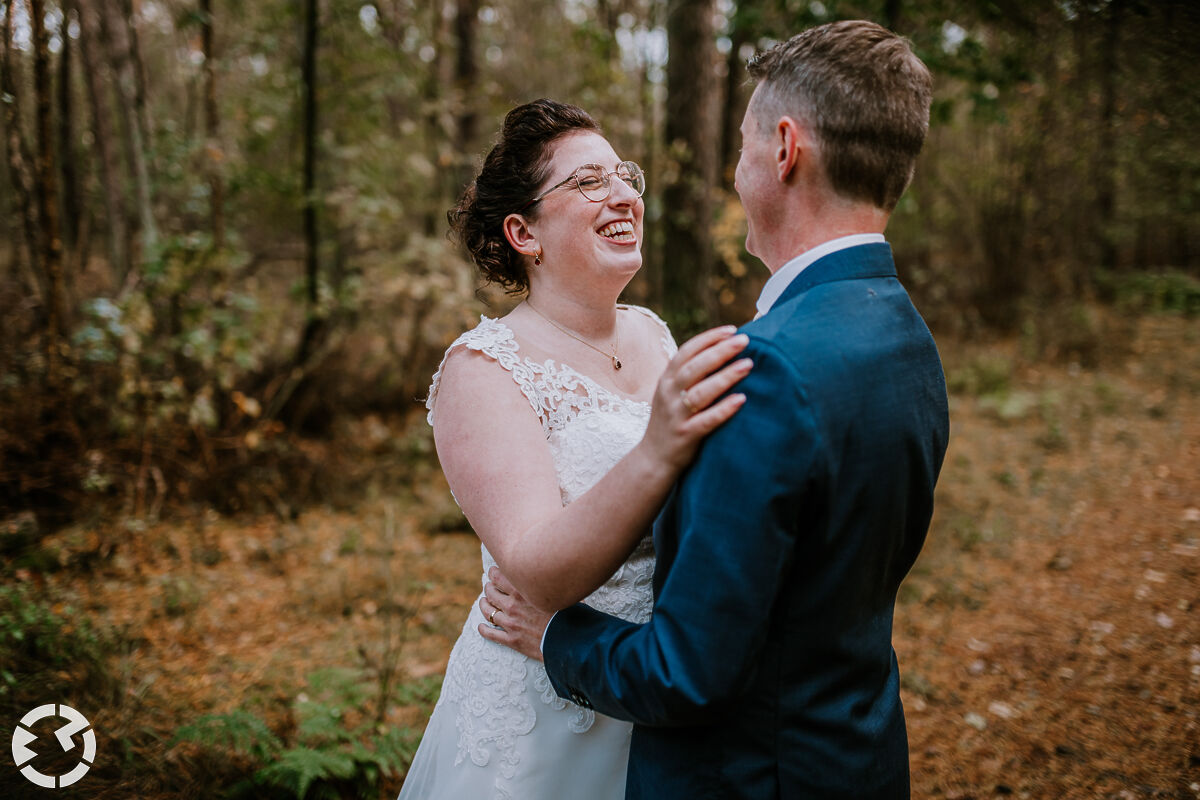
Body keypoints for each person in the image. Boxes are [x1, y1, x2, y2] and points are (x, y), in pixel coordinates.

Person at [479, 20, 951, 799]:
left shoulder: (764, 368)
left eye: (742, 144)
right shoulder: (904, 333)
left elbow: (688, 676)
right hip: (855, 755)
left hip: (751, 777)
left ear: (784, 152)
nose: (735, 171)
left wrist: (556, 637)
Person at [397, 99, 753, 800]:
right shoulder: (483, 369)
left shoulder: (653, 334)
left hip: (652, 687)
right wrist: (658, 447)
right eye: (589, 182)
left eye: (624, 176)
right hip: (543, 719)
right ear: (523, 232)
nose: (623, 194)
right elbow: (535, 572)